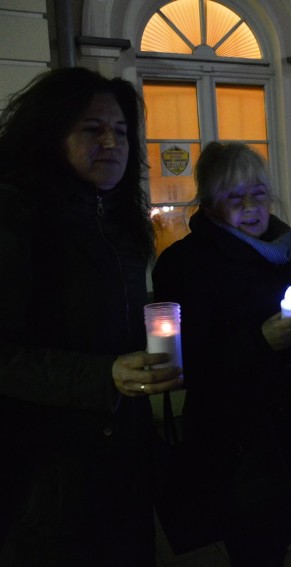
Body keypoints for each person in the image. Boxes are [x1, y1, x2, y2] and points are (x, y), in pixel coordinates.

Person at [0, 68, 183, 566]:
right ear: (50, 134)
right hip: (50, 478)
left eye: (122, 131)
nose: (112, 142)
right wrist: (104, 375)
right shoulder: (17, 218)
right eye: (92, 129)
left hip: (121, 464)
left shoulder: (116, 222)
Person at [152, 142, 291, 566]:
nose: (252, 207)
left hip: (287, 434)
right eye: (235, 198)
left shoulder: (276, 254)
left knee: (277, 542)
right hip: (236, 444)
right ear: (209, 204)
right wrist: (258, 341)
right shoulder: (185, 265)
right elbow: (188, 364)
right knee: (255, 549)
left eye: (259, 194)